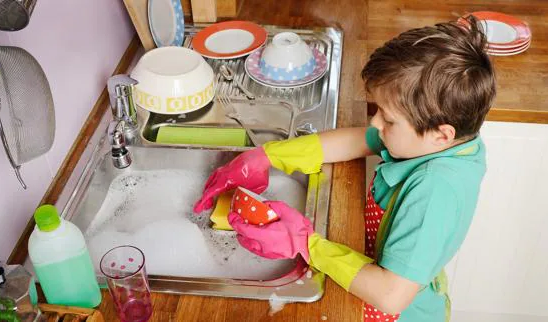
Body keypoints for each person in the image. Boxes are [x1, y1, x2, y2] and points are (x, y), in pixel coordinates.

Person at [193, 15, 495, 322]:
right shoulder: (444, 141)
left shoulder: (434, 190)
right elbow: (359, 140)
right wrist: (268, 156)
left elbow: (391, 295)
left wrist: (305, 243)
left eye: (388, 119)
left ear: (441, 134)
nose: (376, 123)